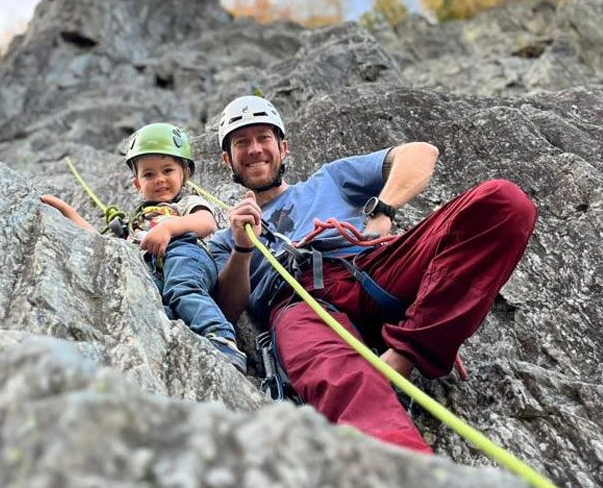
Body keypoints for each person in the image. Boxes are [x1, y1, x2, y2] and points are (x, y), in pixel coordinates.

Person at [209, 95, 537, 453]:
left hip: (369, 269)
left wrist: (384, 209)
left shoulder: (329, 179)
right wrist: (242, 248)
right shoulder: (226, 239)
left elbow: (420, 153)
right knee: (340, 380)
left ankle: (404, 354)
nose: (255, 149)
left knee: (503, 202)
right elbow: (227, 310)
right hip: (297, 303)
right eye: (242, 142)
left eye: (263, 139)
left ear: (283, 148)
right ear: (228, 159)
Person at [42, 123, 247, 372]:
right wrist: (69, 213)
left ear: (185, 173)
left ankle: (221, 337)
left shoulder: (187, 202)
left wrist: (169, 228)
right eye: (149, 175)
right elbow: (105, 247)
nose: (159, 179)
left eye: (168, 170)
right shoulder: (136, 222)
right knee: (157, 306)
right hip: (148, 265)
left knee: (183, 289)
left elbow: (206, 223)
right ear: (137, 184)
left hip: (184, 252)